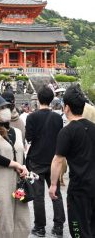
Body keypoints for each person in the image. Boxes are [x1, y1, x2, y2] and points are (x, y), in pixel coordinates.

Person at [49, 86, 95, 238]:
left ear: (66, 107)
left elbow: (57, 160)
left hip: (79, 189)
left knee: (78, 230)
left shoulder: (67, 131)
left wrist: (54, 184)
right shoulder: (93, 128)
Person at [0, 95, 30, 238]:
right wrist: (15, 164)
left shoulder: (17, 131)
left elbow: (21, 152)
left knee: (22, 219)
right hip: (0, 184)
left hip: (18, 184)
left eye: (7, 107)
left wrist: (25, 167)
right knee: (3, 220)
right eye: (2, 108)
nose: (6, 110)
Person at [25, 85, 65, 237]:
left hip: (36, 160)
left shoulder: (31, 117)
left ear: (38, 99)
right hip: (54, 158)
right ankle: (59, 226)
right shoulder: (57, 118)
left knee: (38, 195)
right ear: (51, 100)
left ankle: (40, 227)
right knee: (56, 193)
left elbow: (29, 138)